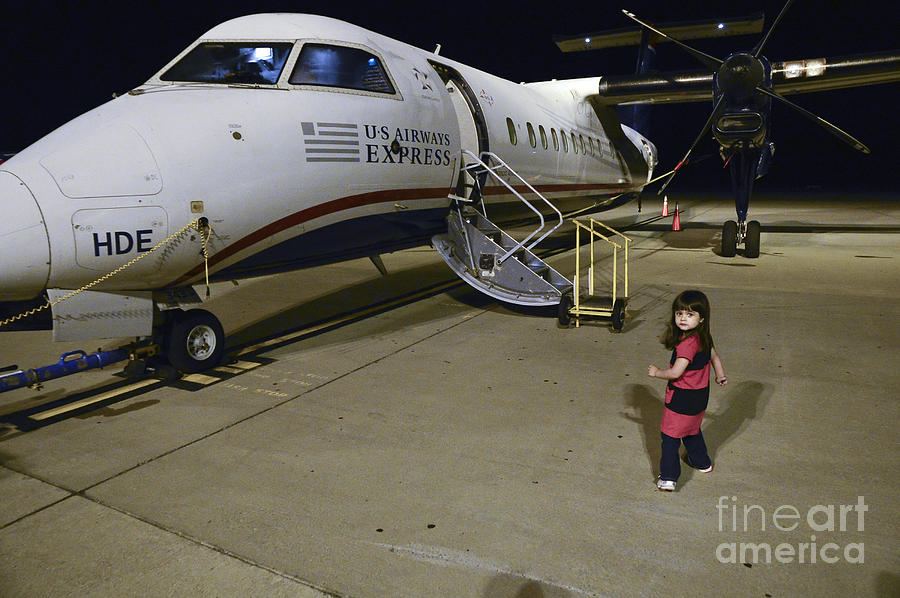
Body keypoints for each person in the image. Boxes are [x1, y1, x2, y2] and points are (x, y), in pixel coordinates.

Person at [648, 290, 727, 491]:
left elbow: (675, 373)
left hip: (682, 398)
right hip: (700, 397)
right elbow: (715, 358)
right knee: (691, 430)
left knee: (670, 437)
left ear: (701, 318)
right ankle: (702, 462)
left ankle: (668, 477)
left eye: (690, 314)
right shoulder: (705, 337)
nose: (683, 318)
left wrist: (657, 372)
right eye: (679, 313)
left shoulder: (687, 346)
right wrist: (720, 375)